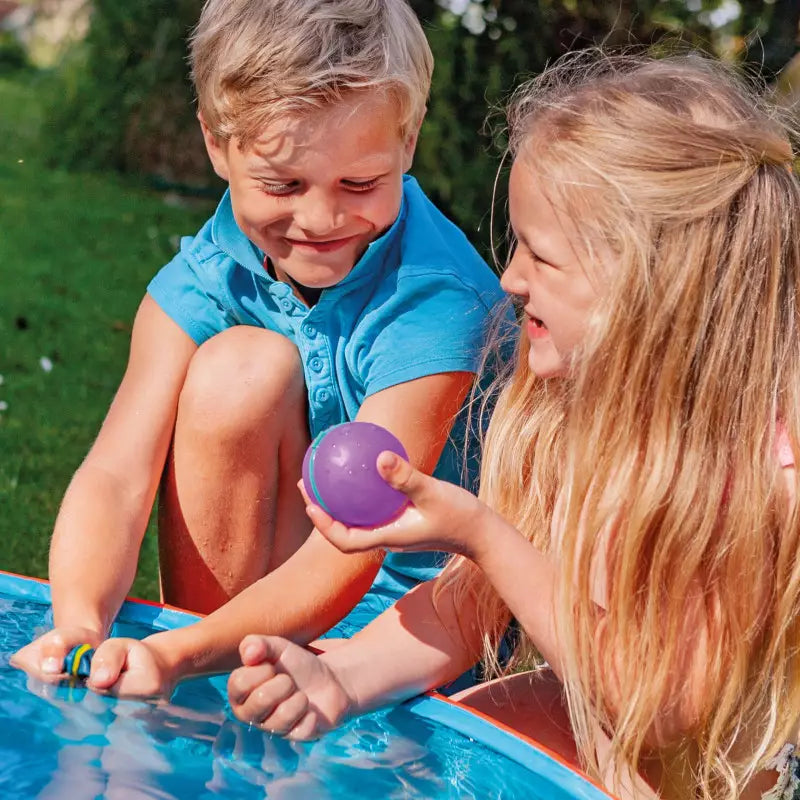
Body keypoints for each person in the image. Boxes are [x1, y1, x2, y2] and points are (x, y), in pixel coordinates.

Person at [224, 52, 800, 800]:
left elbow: (662, 709)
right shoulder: (565, 410)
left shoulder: (757, 473)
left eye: (543, 256)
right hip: (603, 729)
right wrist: (339, 679)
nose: (510, 277)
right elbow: (471, 601)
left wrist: (482, 534)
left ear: (652, 286)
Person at [10, 0, 506, 697]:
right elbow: (117, 475)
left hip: (419, 632)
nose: (321, 219)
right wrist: (79, 625)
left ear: (409, 138)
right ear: (216, 144)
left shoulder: (435, 301)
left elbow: (351, 552)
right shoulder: (208, 276)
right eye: (283, 184)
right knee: (237, 370)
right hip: (273, 601)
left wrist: (178, 652)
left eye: (360, 183)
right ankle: (215, 682)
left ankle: (203, 663)